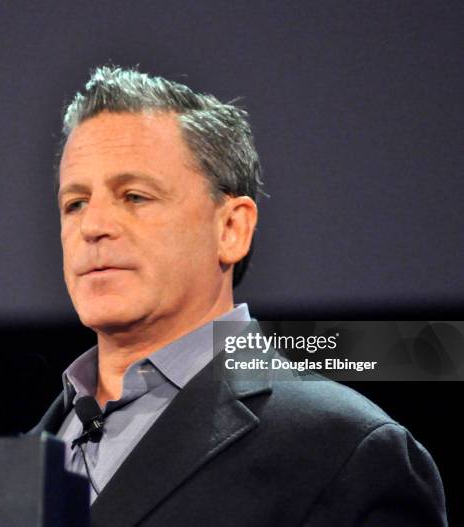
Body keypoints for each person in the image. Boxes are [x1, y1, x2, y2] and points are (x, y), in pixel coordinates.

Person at [30, 65, 447, 526]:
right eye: (75, 203)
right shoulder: (20, 459)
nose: (92, 227)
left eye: (134, 196)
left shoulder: (344, 452)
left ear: (231, 228)